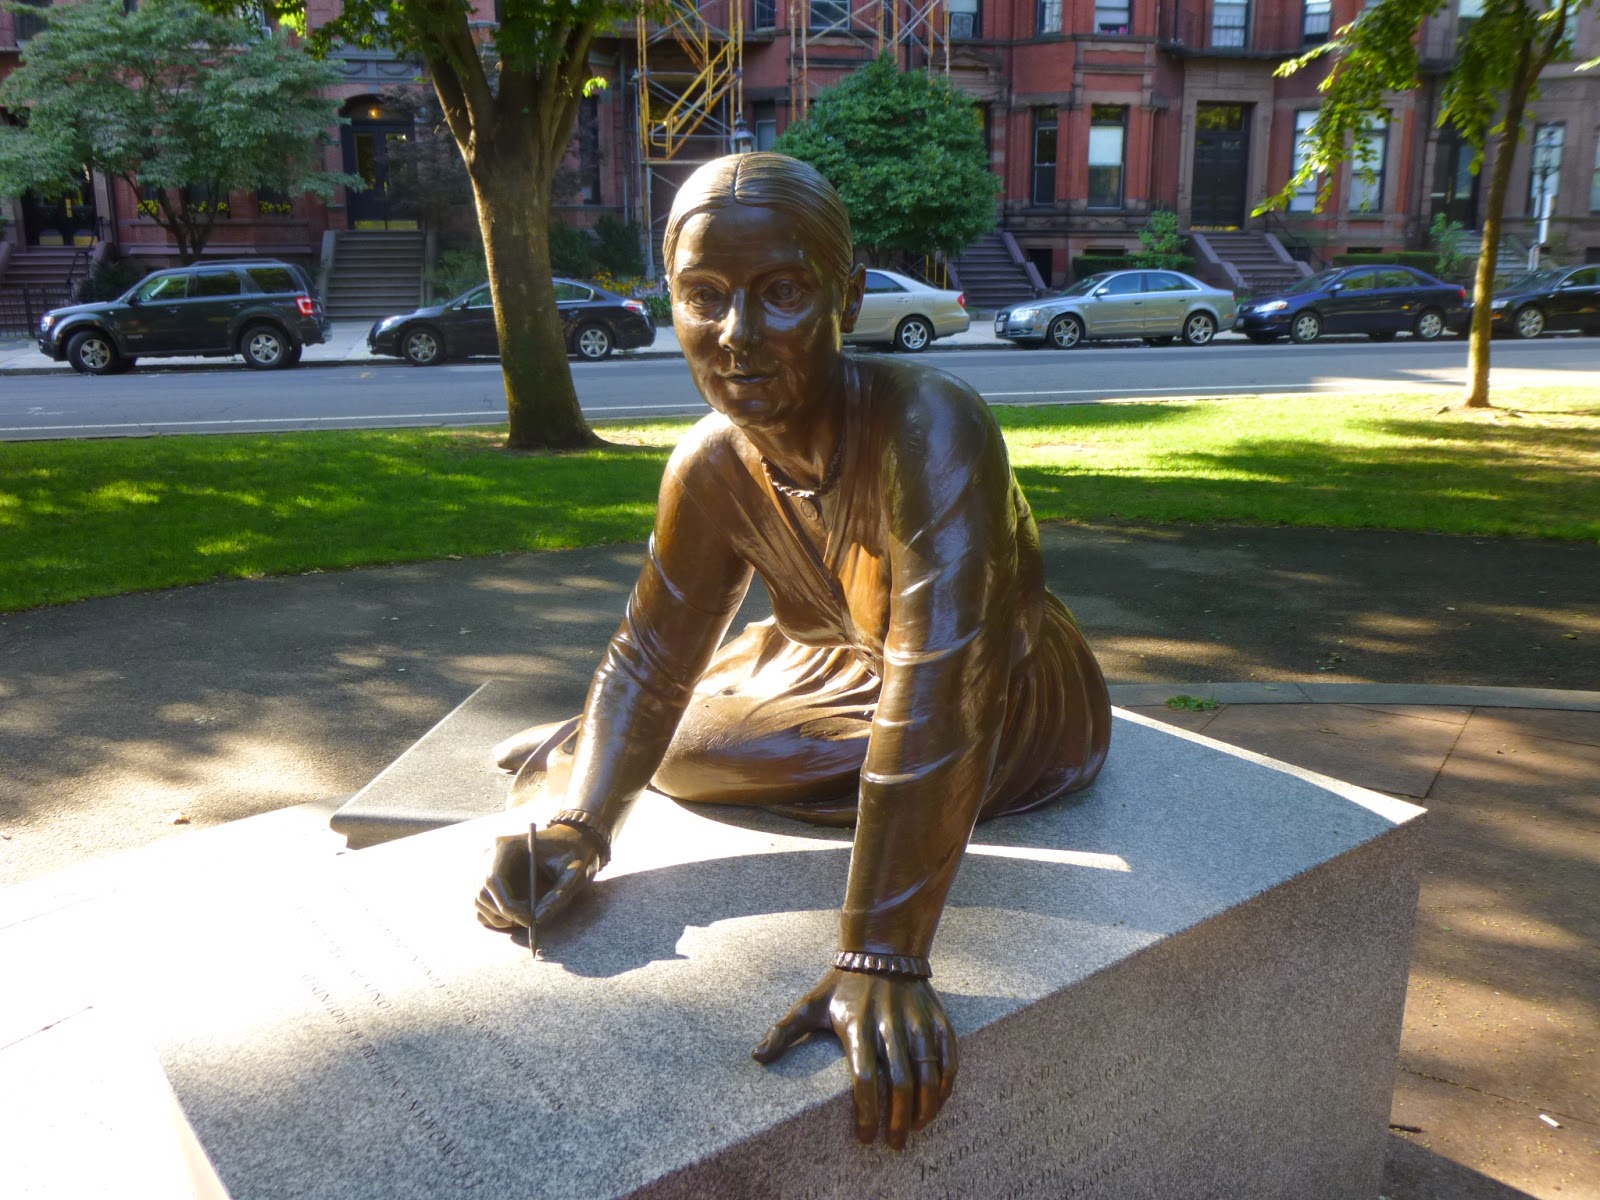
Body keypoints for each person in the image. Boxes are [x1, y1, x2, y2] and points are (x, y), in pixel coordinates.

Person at [474, 152, 1110, 1149]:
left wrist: (881, 954)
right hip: (832, 663)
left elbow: (945, 682)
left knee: (694, 750)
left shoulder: (927, 425)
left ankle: (582, 748)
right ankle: (574, 762)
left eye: (779, 294)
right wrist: (581, 825)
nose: (736, 336)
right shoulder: (710, 463)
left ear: (844, 297)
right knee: (672, 725)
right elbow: (649, 654)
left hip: (1005, 699)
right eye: (703, 297)